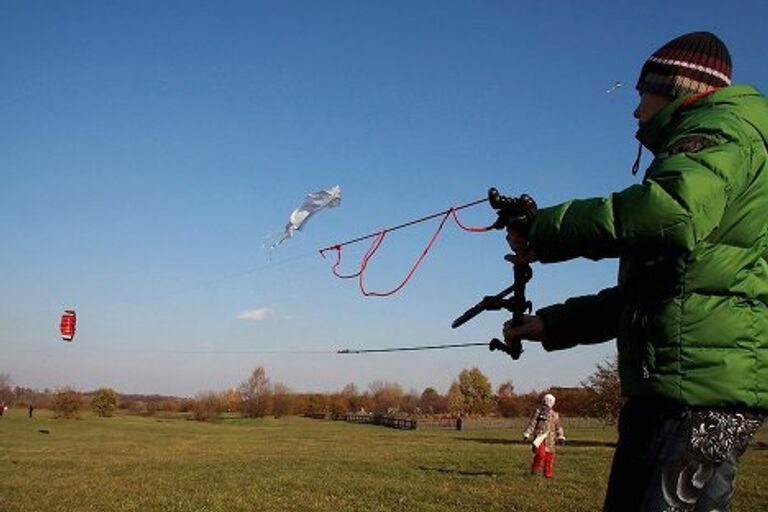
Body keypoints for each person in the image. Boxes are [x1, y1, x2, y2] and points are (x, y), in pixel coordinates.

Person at [502, 31, 767, 511]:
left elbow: (671, 211)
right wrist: (552, 324)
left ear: (679, 88)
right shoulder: (719, 146)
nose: (635, 109)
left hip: (693, 395)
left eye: (643, 93)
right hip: (685, 389)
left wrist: (545, 231)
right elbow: (658, 293)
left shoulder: (723, 132)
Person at [523, 393, 565, 478]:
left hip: (551, 439)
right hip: (539, 438)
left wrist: (561, 436)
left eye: (550, 401)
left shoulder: (555, 414)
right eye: (547, 401)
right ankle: (535, 469)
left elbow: (558, 426)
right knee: (540, 454)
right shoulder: (538, 412)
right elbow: (533, 424)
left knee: (549, 457)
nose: (548, 403)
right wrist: (527, 433)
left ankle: (548, 474)